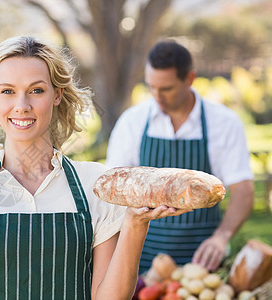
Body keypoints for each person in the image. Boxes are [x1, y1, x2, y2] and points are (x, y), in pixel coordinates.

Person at [0, 36, 189, 299]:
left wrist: (136, 223)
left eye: (36, 90)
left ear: (57, 95)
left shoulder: (95, 184)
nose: (22, 105)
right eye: (8, 90)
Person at [106, 39, 255, 274]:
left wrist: (221, 237)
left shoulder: (224, 123)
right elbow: (114, 191)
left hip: (202, 265)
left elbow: (244, 190)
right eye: (151, 87)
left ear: (190, 79)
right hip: (141, 261)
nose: (157, 96)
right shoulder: (132, 121)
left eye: (166, 89)